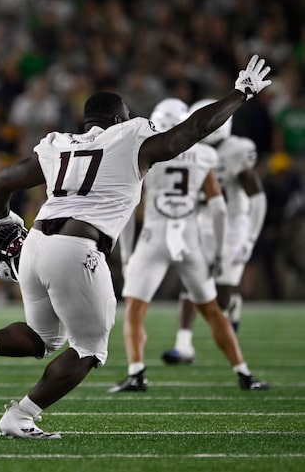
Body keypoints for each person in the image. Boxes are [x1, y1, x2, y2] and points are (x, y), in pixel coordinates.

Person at [0, 55, 272, 440]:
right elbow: (191, 130)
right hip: (77, 248)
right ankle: (21, 415)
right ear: (120, 120)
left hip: (34, 245)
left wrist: (1, 219)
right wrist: (240, 93)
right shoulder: (130, 139)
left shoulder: (60, 145)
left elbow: (0, 181)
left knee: (45, 337)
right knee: (89, 349)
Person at [108, 98, 269, 393]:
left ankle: (136, 373)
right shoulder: (205, 154)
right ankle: (244, 373)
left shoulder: (145, 153)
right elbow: (219, 209)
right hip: (190, 238)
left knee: (135, 309)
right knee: (211, 310)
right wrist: (220, 254)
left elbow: (129, 209)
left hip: (154, 237)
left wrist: (127, 253)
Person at [162, 97, 268, 364]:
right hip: (200, 220)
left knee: (220, 299)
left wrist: (250, 238)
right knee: (191, 280)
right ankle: (183, 346)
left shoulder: (236, 150)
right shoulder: (190, 149)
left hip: (232, 224)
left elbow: (257, 198)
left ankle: (233, 305)